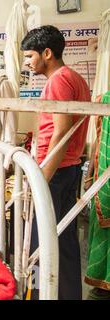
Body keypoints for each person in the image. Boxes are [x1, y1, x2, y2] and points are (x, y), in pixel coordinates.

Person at [21, 25, 91, 300]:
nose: (28, 63)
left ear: (47, 53)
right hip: (68, 168)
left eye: (30, 56)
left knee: (42, 243)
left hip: (57, 171)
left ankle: (40, 295)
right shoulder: (74, 77)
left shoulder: (58, 79)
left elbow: (60, 131)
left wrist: (41, 177)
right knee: (64, 240)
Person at [83, 91, 110, 300]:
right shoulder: (104, 100)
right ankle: (102, 284)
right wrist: (91, 172)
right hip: (104, 181)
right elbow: (98, 142)